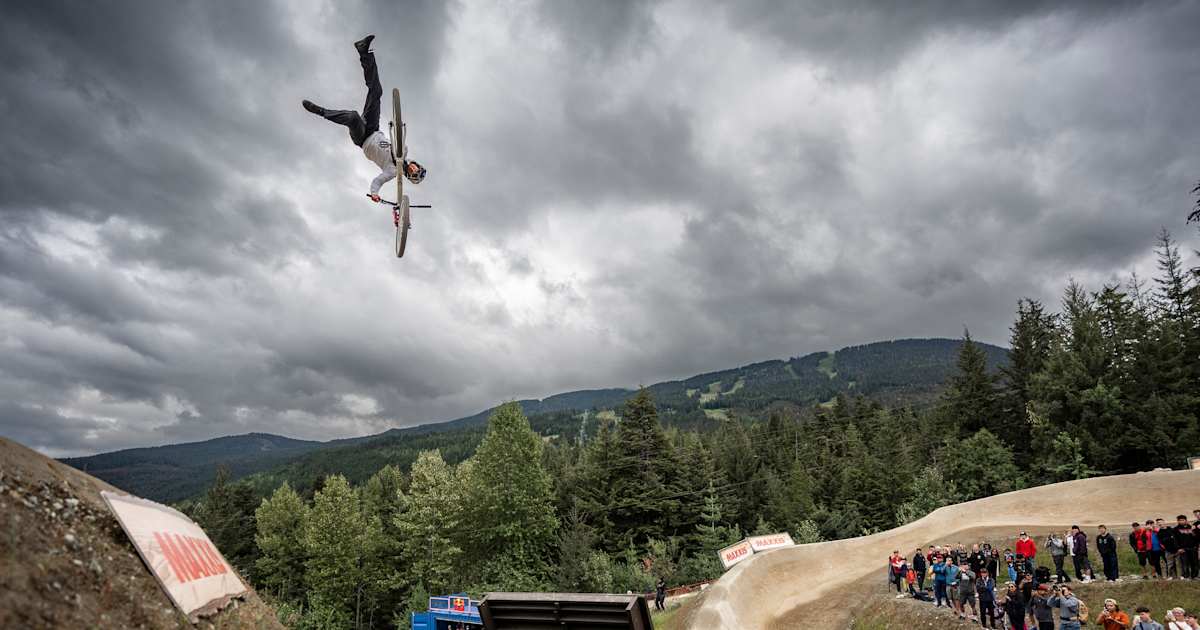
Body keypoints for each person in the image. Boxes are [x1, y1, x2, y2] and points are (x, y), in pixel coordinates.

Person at [301, 35, 427, 201]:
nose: (412, 168)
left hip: (363, 139)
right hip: (374, 128)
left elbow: (377, 181)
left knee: (353, 116)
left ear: (409, 176)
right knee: (376, 92)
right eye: (415, 167)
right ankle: (364, 52)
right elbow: (398, 140)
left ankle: (321, 111)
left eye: (413, 172)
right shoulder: (405, 151)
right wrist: (398, 126)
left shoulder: (392, 172)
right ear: (417, 164)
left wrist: (374, 193)